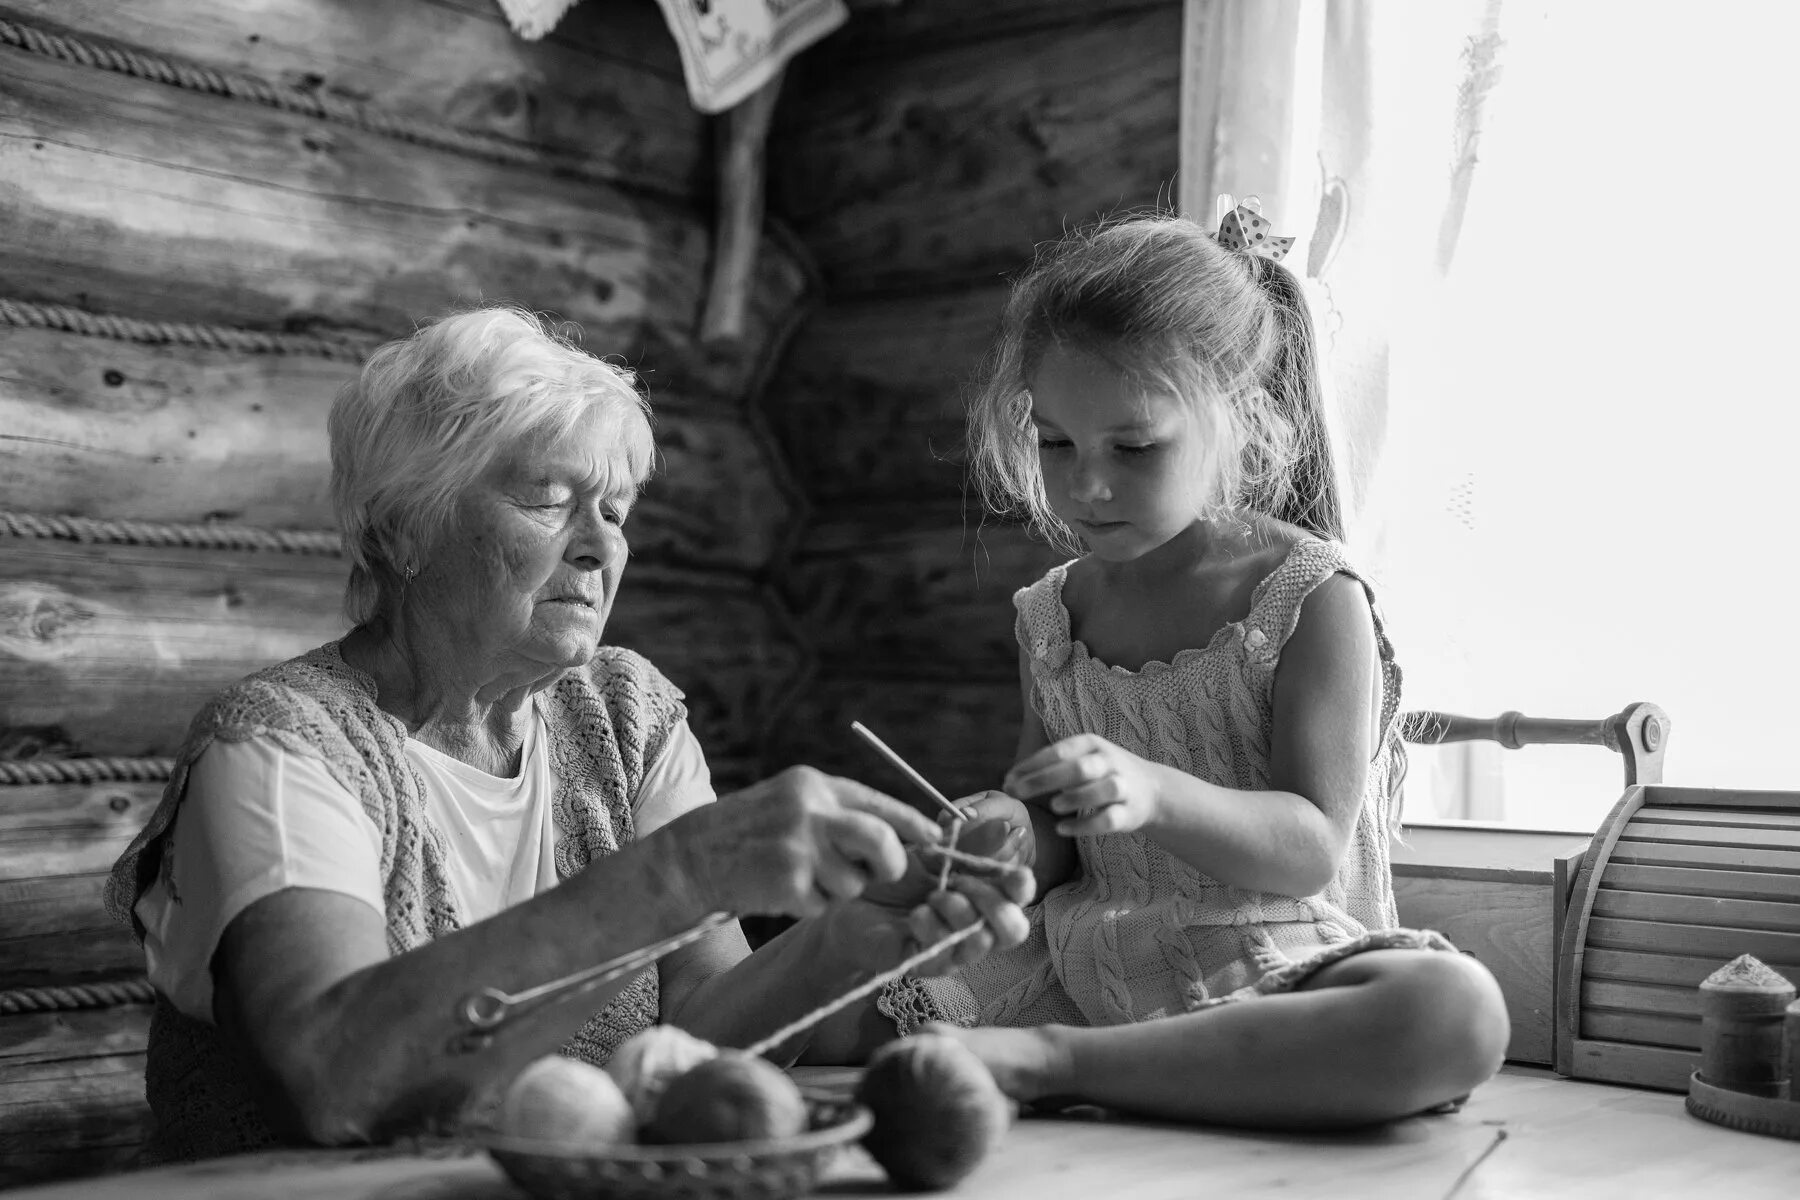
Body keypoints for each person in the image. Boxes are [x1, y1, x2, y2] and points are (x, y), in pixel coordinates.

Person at [104, 306, 1032, 1162]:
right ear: (403, 530)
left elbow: (695, 1031)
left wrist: (848, 941)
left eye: (616, 510)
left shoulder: (623, 715)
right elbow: (337, 1080)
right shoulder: (279, 746)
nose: (600, 545)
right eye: (549, 499)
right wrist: (683, 871)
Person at [873, 209, 1510, 1128]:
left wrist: (1153, 790)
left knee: (1452, 1013)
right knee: (854, 970)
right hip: (1083, 954)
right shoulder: (1052, 613)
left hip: (1262, 956)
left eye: (1134, 448)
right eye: (1057, 442)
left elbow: (1309, 850)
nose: (1086, 484)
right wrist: (1002, 830)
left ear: (1242, 420)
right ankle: (1099, 1062)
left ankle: (1059, 1062)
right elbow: (1055, 832)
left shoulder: (1309, 597)